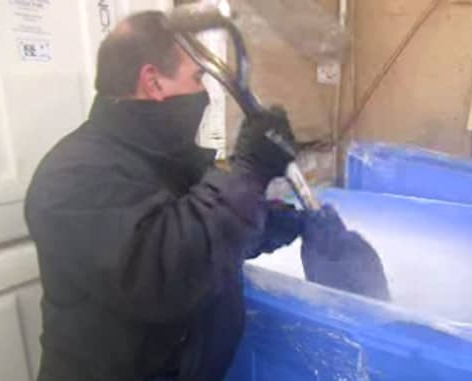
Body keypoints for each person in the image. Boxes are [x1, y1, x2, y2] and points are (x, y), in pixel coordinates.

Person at [25, 11, 303, 381]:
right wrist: (249, 172)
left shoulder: (167, 159)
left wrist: (273, 220)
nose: (205, 92)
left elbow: (202, 232)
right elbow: (164, 269)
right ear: (154, 82)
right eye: (197, 78)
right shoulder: (70, 177)